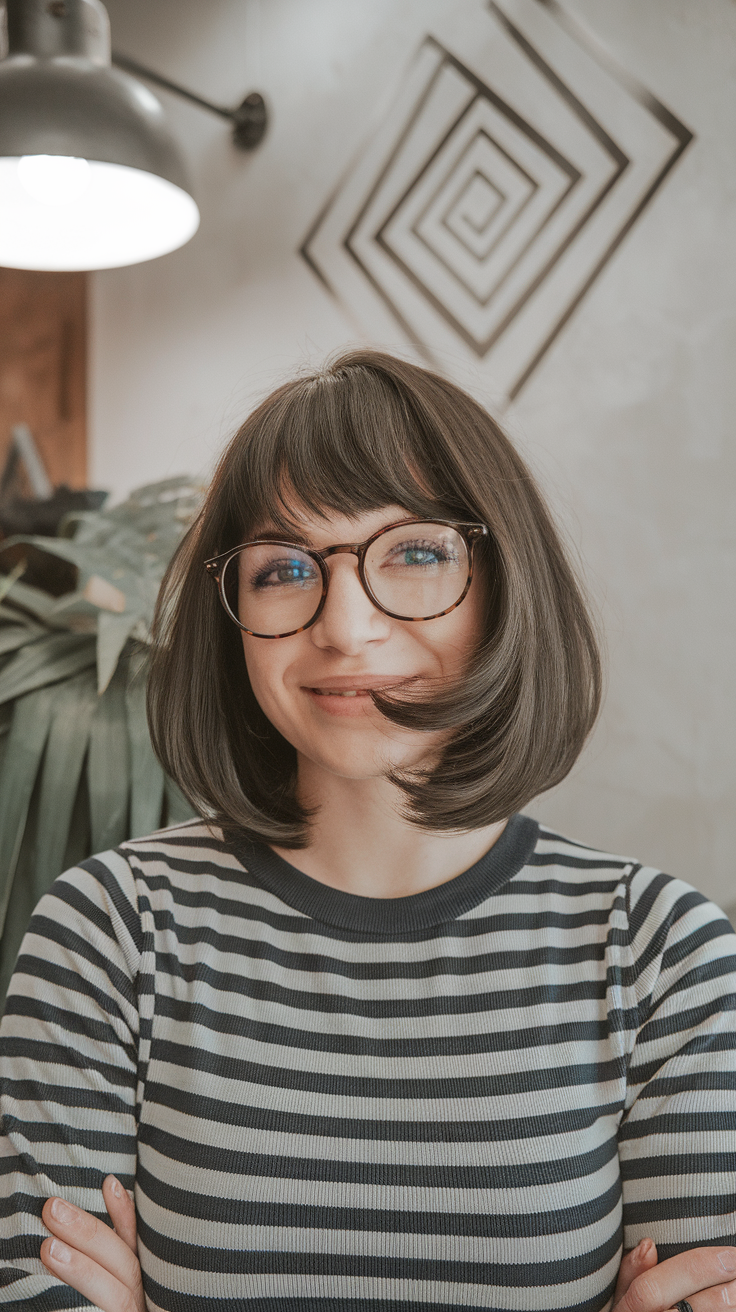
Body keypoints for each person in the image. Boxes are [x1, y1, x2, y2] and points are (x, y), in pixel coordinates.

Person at [0, 350, 734, 1312]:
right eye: (284, 568)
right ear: (234, 620)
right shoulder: (108, 931)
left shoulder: (665, 952)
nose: (344, 627)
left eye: (416, 553)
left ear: (505, 590)